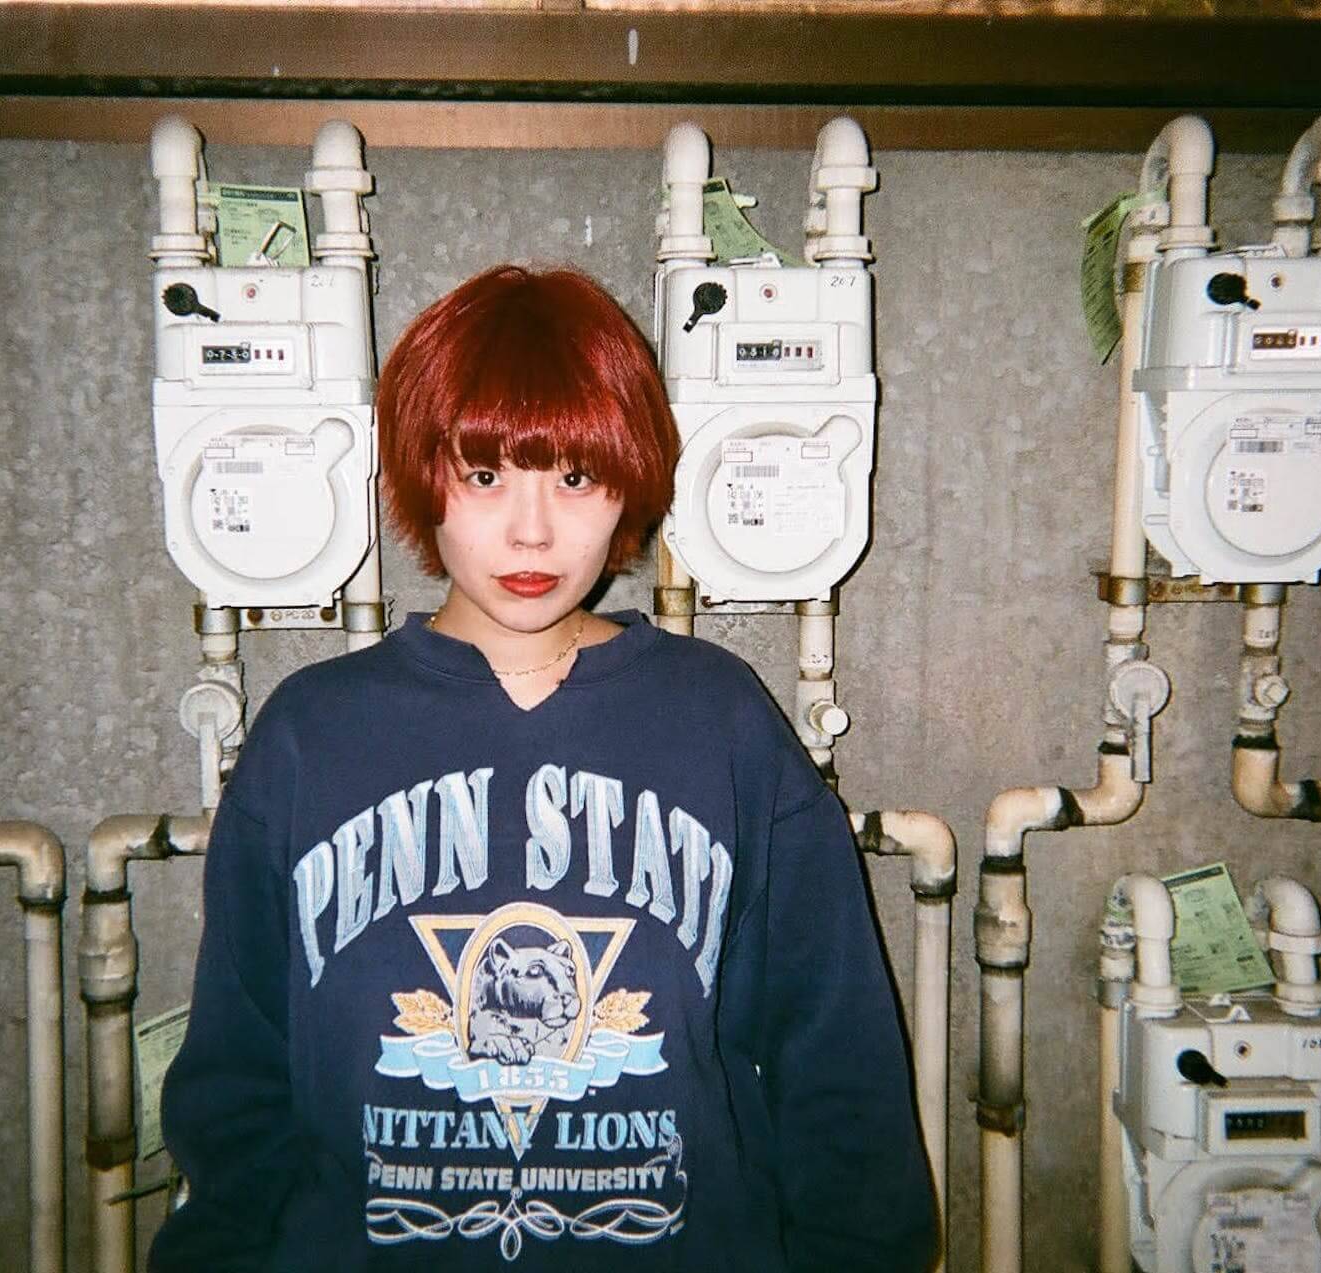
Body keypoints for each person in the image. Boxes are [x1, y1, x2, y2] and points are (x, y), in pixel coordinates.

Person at [150, 264, 936, 1272]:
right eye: (486, 476)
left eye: (574, 477)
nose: (532, 529)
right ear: (422, 476)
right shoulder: (309, 736)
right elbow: (237, 1084)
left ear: (628, 483)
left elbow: (839, 1067)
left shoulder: (722, 721)